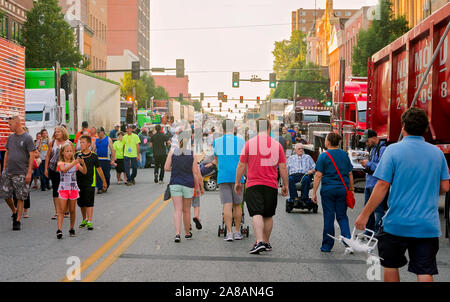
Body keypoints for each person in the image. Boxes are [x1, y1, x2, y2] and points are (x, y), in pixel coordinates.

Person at [355, 108, 449, 282]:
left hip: (396, 224)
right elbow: (445, 186)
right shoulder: (437, 153)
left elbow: (382, 185)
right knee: (424, 271)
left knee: (391, 265)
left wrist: (364, 214)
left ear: (403, 126)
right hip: (427, 225)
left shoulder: (393, 151)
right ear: (426, 129)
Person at [235, 118, 289, 254]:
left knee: (256, 213)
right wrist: (285, 185)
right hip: (271, 184)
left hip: (253, 184)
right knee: (268, 215)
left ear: (256, 129)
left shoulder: (249, 144)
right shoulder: (277, 146)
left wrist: (237, 182)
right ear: (269, 128)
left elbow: (241, 165)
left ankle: (259, 241)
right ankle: (266, 241)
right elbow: (283, 167)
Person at [312, 132, 354, 253]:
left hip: (328, 190)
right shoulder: (344, 155)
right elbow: (350, 173)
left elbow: (318, 175)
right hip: (342, 190)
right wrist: (351, 189)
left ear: (328, 142)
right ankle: (348, 243)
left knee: (329, 217)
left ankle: (327, 246)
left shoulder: (323, 156)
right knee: (342, 216)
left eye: (325, 139)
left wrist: (314, 192)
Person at [211, 119, 246, 241]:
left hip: (223, 176)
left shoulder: (217, 142)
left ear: (223, 129)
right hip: (238, 176)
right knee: (237, 205)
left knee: (227, 204)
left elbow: (216, 159)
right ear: (234, 128)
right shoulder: (242, 141)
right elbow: (244, 161)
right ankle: (237, 232)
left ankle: (229, 233)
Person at [164, 138, 202, 243]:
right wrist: (197, 187)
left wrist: (175, 168)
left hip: (175, 183)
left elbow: (166, 167)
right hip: (188, 184)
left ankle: (177, 234)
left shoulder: (172, 153)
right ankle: (187, 233)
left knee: (177, 210)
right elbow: (195, 172)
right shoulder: (192, 155)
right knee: (186, 210)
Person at [1, 116, 36, 231]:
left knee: (20, 197)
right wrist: (4, 169)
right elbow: (7, 153)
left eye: (10, 124)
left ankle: (18, 220)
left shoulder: (27, 138)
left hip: (21, 172)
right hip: (9, 172)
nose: (8, 126)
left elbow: (32, 155)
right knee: (6, 195)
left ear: (17, 123)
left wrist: (29, 172)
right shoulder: (10, 137)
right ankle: (14, 211)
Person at [75, 135, 107, 231]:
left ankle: (89, 221)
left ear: (89, 144)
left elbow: (99, 169)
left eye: (83, 142)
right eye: (80, 142)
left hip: (90, 182)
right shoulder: (77, 155)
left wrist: (104, 182)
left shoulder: (93, 156)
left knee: (89, 202)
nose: (81, 144)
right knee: (81, 203)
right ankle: (84, 219)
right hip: (79, 182)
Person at [359, 129, 388, 234]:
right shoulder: (372, 149)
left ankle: (378, 231)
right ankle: (368, 231)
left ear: (374, 138)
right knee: (368, 208)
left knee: (378, 210)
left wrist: (368, 164)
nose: (366, 143)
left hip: (376, 184)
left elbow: (382, 167)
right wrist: (366, 165)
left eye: (367, 141)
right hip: (369, 182)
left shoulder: (383, 149)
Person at [56, 143, 87, 239]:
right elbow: (64, 170)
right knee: (62, 210)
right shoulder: (60, 163)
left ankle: (71, 228)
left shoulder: (75, 163)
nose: (69, 153)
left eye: (71, 151)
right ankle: (59, 230)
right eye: (67, 151)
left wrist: (82, 163)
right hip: (63, 188)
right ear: (62, 153)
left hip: (73, 188)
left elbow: (84, 171)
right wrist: (74, 163)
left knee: (72, 210)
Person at [45, 126, 72, 220]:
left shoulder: (69, 143)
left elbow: (72, 157)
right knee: (56, 190)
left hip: (66, 170)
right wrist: (45, 169)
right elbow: (48, 156)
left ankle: (66, 210)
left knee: (65, 190)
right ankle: (57, 212)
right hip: (54, 169)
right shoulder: (52, 143)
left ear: (63, 132)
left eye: (58, 132)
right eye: (55, 132)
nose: (56, 133)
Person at [286, 143, 316, 209]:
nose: (301, 150)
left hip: (304, 174)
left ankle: (304, 198)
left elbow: (315, 168)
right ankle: (295, 198)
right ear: (295, 150)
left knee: (306, 179)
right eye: (299, 149)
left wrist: (311, 171)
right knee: (290, 179)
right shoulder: (291, 158)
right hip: (294, 175)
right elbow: (286, 169)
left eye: (302, 149)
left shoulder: (308, 157)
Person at [95, 127, 116, 193]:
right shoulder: (96, 140)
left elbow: (112, 150)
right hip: (98, 160)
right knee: (98, 175)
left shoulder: (108, 139)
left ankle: (106, 185)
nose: (98, 134)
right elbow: (93, 150)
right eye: (97, 133)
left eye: (99, 132)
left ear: (103, 132)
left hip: (106, 160)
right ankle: (100, 188)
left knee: (106, 174)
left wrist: (113, 159)